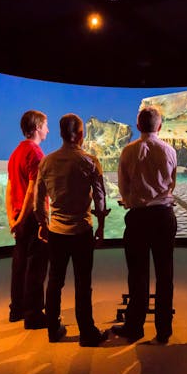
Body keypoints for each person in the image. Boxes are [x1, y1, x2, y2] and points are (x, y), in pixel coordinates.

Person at [34, 113, 110, 347]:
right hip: (82, 230)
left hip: (57, 231)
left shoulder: (47, 162)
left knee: (55, 281)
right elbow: (100, 198)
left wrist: (43, 224)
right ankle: (87, 332)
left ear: (60, 133)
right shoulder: (90, 161)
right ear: (80, 134)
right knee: (83, 282)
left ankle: (52, 329)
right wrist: (101, 227)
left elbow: (38, 200)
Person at [112, 106, 177, 344]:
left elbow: (123, 187)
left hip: (138, 218)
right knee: (165, 274)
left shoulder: (128, 151)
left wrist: (130, 200)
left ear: (138, 126)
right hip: (163, 216)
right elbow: (171, 184)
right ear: (160, 126)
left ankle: (135, 326)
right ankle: (163, 329)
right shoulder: (169, 150)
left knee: (138, 274)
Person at [6, 110, 49, 329]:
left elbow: (10, 188)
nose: (48, 130)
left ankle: (17, 309)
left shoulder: (15, 153)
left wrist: (12, 219)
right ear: (38, 127)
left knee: (20, 264)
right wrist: (27, 218)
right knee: (36, 266)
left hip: (18, 217)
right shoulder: (35, 153)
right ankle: (33, 314)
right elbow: (33, 191)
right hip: (31, 216)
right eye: (46, 125)